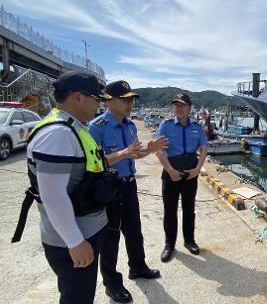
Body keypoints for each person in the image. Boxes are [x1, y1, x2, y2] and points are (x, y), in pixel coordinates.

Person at [21, 70, 109, 303]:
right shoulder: (58, 133)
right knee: (76, 298)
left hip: (86, 228)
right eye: (96, 97)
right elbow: (53, 195)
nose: (98, 103)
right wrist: (75, 241)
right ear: (78, 97)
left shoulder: (73, 127)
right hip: (73, 238)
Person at [88, 80, 167, 303]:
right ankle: (112, 283)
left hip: (129, 184)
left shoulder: (130, 126)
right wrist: (123, 153)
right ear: (110, 101)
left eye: (131, 99)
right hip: (109, 188)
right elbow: (93, 163)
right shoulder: (97, 127)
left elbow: (134, 153)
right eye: (125, 100)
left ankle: (138, 267)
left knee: (134, 230)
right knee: (110, 237)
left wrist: (149, 150)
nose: (130, 103)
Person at [156, 93, 208, 262]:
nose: (178, 108)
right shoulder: (166, 125)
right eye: (176, 105)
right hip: (171, 173)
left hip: (190, 174)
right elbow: (159, 150)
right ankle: (169, 245)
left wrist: (197, 169)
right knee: (170, 210)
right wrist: (170, 170)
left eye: (182, 105)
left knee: (189, 209)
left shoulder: (197, 127)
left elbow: (203, 149)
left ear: (189, 108)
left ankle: (189, 240)